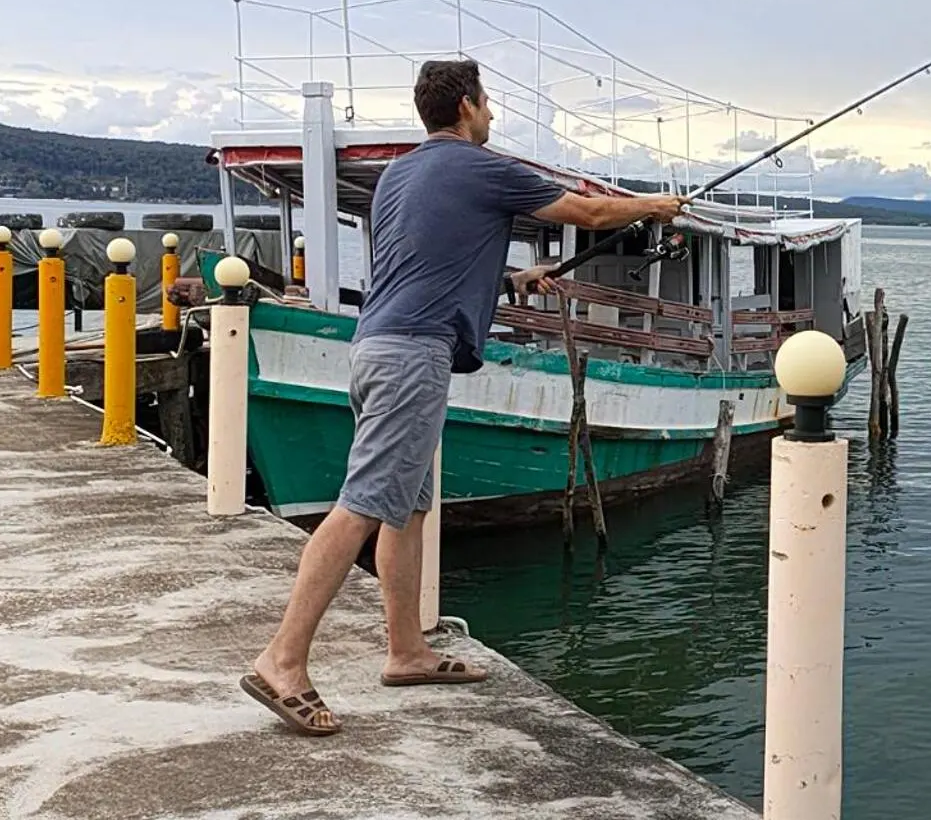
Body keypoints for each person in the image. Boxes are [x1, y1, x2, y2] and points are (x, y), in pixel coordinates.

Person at [240, 58, 685, 736]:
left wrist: (510, 281)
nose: (493, 113)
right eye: (488, 101)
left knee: (407, 507)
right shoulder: (484, 167)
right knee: (363, 505)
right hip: (413, 355)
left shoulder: (400, 175)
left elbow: (428, 263)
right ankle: (283, 659)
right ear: (468, 106)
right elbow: (592, 211)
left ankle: (406, 651)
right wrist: (656, 205)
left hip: (375, 345)